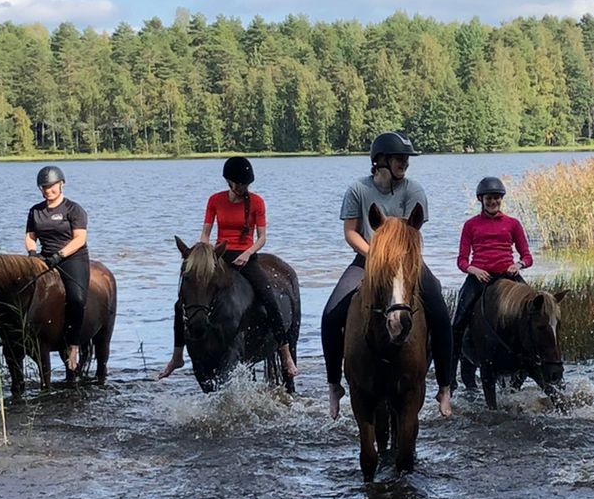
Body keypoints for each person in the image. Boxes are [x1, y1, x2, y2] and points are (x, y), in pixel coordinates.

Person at [321, 132, 456, 422]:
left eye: (406, 159)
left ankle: (445, 386)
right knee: (331, 315)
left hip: (406, 263)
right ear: (381, 160)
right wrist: (376, 257)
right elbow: (350, 232)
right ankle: (334, 384)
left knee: (441, 314)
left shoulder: (414, 190)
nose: (405, 163)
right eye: (399, 158)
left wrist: (394, 260)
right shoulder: (358, 189)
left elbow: (411, 235)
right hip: (367, 260)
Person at [158, 156, 298, 382]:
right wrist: (204, 254)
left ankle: (284, 352)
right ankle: (177, 357)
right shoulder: (215, 200)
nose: (242, 188)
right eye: (239, 183)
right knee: (180, 303)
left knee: (268, 297)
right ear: (229, 182)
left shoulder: (257, 202)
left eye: (245, 184)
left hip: (246, 257)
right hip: (219, 256)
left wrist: (248, 253)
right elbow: (206, 232)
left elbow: (262, 237)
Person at [453, 176, 533, 358]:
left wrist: (518, 265)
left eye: (496, 198)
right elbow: (462, 261)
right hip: (480, 278)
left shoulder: (513, 224)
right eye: (488, 198)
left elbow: (527, 257)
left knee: (532, 310)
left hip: (508, 276)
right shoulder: (470, 225)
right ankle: (450, 369)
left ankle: (535, 360)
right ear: (481, 199)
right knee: (458, 322)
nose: (493, 202)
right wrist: (474, 270)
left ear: (501, 199)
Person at [25, 164, 89, 373]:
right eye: (44, 187)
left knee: (77, 298)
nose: (48, 190)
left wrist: (59, 255)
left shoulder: (74, 209)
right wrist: (32, 253)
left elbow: (79, 239)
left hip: (72, 257)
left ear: (61, 184)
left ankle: (73, 345)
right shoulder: (36, 211)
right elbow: (30, 236)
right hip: (45, 257)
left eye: (51, 186)